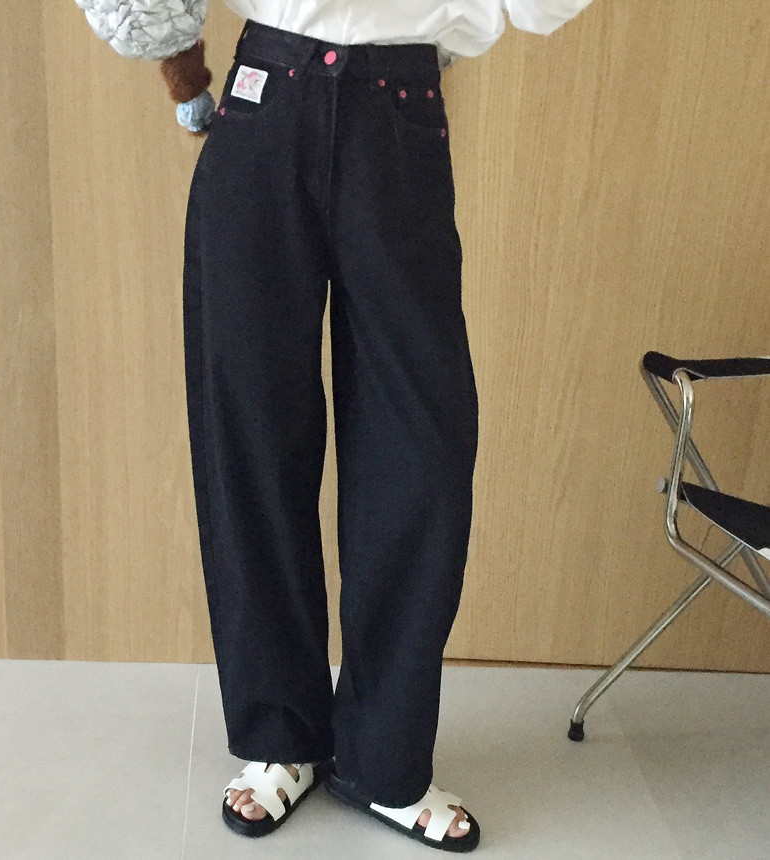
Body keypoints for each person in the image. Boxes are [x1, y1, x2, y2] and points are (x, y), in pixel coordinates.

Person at [76, 0, 593, 851]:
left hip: (402, 107)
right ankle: (281, 736)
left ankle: (386, 760)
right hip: (265, 96)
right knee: (251, 435)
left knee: (422, 449)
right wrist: (182, 71)